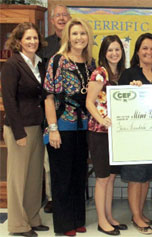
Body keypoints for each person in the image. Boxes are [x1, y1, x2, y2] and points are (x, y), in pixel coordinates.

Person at [43, 18, 96, 236]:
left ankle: (77, 219)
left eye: (83, 34)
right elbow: (48, 98)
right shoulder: (58, 61)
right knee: (62, 177)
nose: (79, 38)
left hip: (83, 127)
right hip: (61, 126)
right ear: (68, 37)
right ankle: (65, 225)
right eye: (75, 34)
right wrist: (53, 128)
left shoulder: (90, 63)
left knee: (78, 175)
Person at [1, 22, 49, 237]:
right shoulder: (12, 64)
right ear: (19, 41)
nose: (32, 42)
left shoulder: (39, 63)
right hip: (18, 128)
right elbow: (9, 100)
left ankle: (32, 218)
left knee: (33, 176)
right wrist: (18, 132)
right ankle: (18, 225)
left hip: (36, 126)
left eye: (35, 38)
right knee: (18, 177)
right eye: (28, 38)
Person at [119, 33, 152, 235]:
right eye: (145, 48)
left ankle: (141, 213)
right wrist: (131, 90)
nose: (149, 52)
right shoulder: (128, 75)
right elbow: (121, 103)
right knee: (136, 177)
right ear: (137, 51)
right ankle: (136, 216)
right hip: (134, 136)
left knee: (147, 176)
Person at [86, 35, 128, 236]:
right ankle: (102, 221)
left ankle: (109, 216)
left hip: (116, 134)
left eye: (117, 49)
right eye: (110, 50)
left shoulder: (120, 74)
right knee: (102, 178)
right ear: (104, 53)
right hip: (99, 134)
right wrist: (101, 119)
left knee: (111, 177)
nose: (114, 53)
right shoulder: (99, 73)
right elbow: (89, 102)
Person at [37, 3, 71, 214]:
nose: (61, 18)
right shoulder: (44, 46)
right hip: (49, 107)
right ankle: (51, 197)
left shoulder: (77, 42)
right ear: (51, 20)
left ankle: (73, 195)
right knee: (50, 159)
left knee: (72, 157)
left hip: (73, 111)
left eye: (64, 15)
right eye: (57, 15)